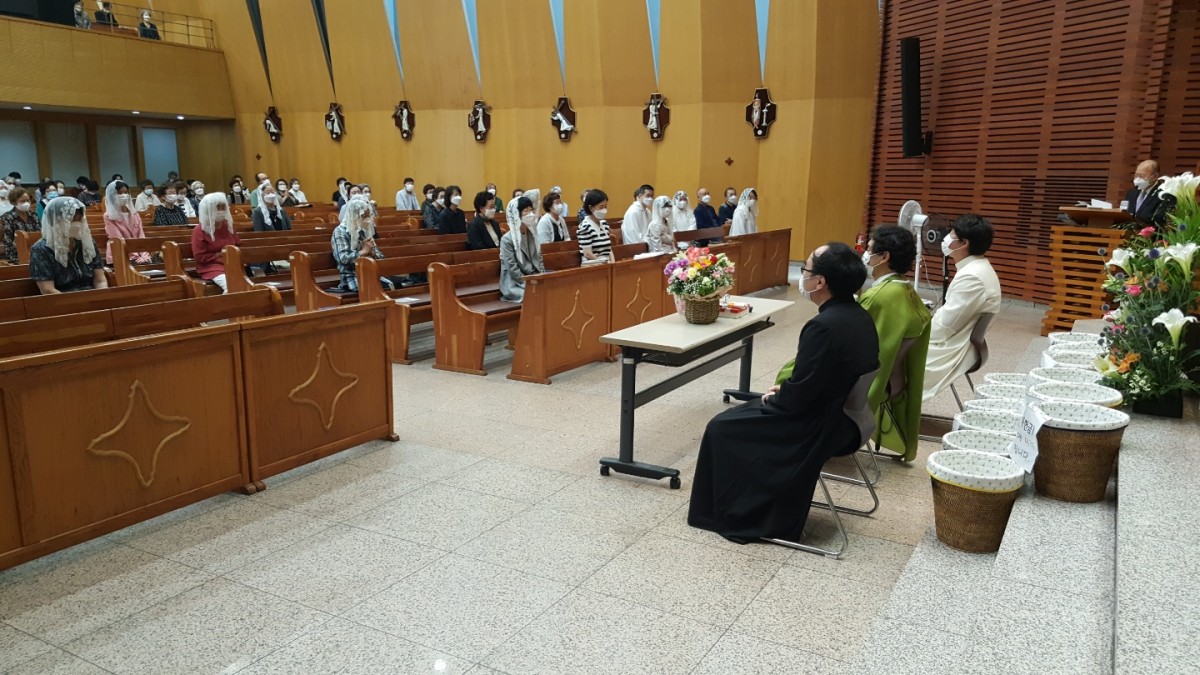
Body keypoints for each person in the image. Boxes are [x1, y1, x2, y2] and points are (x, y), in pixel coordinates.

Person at [688, 242, 879, 544]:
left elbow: (799, 398)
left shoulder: (823, 326)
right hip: (848, 417)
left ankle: (732, 514)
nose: (802, 275)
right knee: (741, 415)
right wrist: (790, 388)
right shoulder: (859, 315)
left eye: (806, 270)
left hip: (817, 426)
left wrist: (780, 396)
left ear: (820, 282)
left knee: (721, 427)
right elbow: (817, 379)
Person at [922, 214, 1002, 402]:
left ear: (964, 243)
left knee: (888, 357)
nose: (945, 238)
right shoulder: (977, 268)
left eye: (951, 234)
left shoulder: (972, 277)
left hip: (954, 348)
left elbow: (944, 328)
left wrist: (916, 334)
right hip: (959, 339)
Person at [29, 197, 107, 295]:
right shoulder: (41, 249)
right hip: (62, 299)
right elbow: (48, 290)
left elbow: (100, 280)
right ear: (55, 220)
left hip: (92, 297)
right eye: (71, 219)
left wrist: (101, 297)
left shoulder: (87, 242)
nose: (77, 224)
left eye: (79, 219)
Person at [331, 198, 386, 292]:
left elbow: (381, 257)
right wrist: (364, 251)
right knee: (371, 289)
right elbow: (343, 259)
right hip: (351, 275)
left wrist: (372, 253)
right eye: (364, 216)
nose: (367, 220)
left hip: (370, 272)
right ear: (354, 215)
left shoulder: (364, 230)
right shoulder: (340, 231)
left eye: (368, 216)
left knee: (392, 285)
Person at [499, 194, 546, 303]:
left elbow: (539, 259)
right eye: (526, 211)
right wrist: (529, 284)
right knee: (534, 296)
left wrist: (542, 277)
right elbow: (513, 269)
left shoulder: (532, 234)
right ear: (517, 214)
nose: (530, 214)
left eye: (531, 210)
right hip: (515, 283)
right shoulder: (507, 240)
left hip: (534, 278)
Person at [191, 193, 240, 293]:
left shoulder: (228, 226)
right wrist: (220, 254)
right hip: (212, 267)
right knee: (231, 286)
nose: (221, 211)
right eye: (218, 208)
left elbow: (238, 245)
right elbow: (199, 256)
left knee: (246, 285)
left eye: (223, 207)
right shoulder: (200, 230)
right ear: (208, 209)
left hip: (232, 264)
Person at [102, 180, 153, 265]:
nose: (124, 195)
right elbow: (118, 239)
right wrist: (136, 257)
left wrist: (144, 256)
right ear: (112, 196)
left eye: (126, 192)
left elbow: (141, 236)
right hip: (120, 253)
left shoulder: (135, 214)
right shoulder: (108, 216)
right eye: (120, 193)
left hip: (139, 254)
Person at [1124, 159, 1168, 226]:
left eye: (1141, 176)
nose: (1137, 179)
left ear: (1155, 176)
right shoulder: (1132, 193)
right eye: (1136, 175)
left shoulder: (1163, 195)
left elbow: (1159, 219)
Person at [1, 188, 38, 264]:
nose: (26, 203)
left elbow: (38, 234)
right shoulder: (7, 218)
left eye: (28, 200)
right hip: (16, 256)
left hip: (35, 252)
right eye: (22, 201)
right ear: (13, 202)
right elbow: (8, 242)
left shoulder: (33, 215)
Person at [577, 189, 613, 263]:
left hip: (606, 263)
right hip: (593, 265)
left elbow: (609, 249)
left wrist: (613, 263)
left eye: (605, 206)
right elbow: (587, 254)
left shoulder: (604, 224)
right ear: (591, 208)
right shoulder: (585, 227)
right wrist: (604, 262)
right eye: (601, 207)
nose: (604, 210)